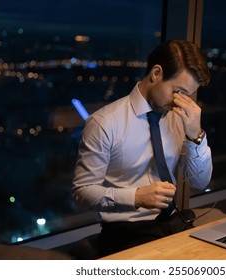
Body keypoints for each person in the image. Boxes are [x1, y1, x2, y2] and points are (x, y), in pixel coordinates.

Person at [72, 39, 213, 257]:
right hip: (125, 232)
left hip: (172, 222)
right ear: (156, 74)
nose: (182, 102)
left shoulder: (179, 118)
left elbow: (200, 183)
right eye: (178, 91)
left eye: (189, 94)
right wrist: (136, 197)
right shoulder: (105, 123)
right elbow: (82, 193)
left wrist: (196, 135)